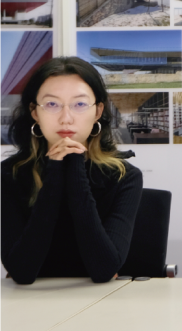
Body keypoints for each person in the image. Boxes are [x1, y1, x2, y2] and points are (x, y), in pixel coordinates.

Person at [2, 57, 142, 284]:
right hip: (30, 301)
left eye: (79, 105)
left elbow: (104, 269)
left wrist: (76, 165)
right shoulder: (10, 175)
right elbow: (22, 272)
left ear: (98, 111)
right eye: (51, 104)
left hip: (101, 300)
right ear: (35, 112)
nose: (66, 119)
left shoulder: (124, 177)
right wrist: (55, 171)